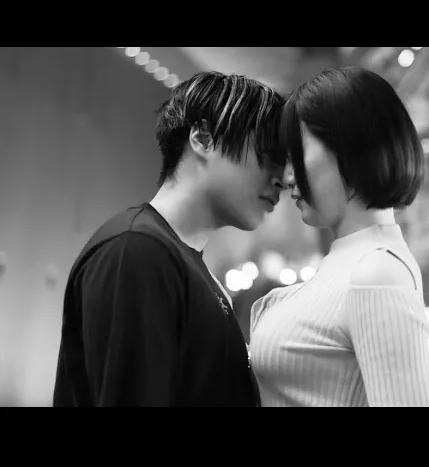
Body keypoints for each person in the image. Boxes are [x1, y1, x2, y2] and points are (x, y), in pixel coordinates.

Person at [53, 71, 286, 407]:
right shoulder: (137, 251)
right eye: (270, 154)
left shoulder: (177, 261)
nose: (282, 179)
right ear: (203, 138)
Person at [249, 66, 429, 407]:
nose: (288, 177)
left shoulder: (378, 272)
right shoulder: (355, 264)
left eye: (297, 154)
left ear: (351, 147)